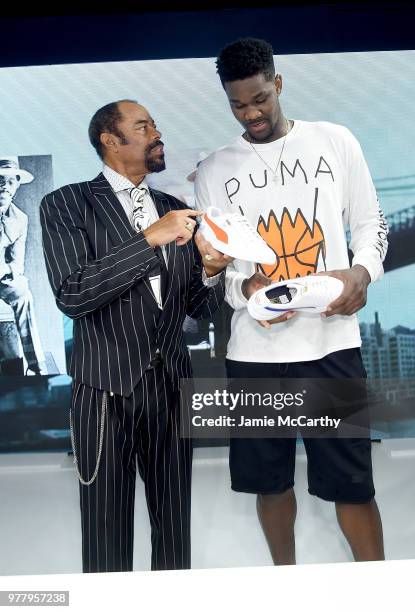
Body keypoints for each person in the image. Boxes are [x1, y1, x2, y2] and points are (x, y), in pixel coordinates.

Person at [194, 38, 389, 564]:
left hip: (331, 346)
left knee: (352, 485)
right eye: (238, 104)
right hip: (255, 354)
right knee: (269, 482)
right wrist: (246, 288)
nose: (251, 113)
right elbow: (219, 274)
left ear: (277, 84)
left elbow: (371, 224)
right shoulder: (213, 169)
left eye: (260, 98)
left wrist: (361, 272)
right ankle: (286, 585)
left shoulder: (334, 141)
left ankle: (382, 591)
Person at [40, 99, 230, 573]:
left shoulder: (175, 209)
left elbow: (195, 309)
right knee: (105, 532)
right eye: (143, 126)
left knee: (174, 529)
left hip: (170, 387)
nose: (156, 133)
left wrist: (209, 272)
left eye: (154, 125)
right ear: (110, 140)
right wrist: (149, 240)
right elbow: (73, 293)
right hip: (104, 392)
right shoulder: (66, 203)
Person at [0, 156, 45, 375]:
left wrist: (13, 274)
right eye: (0, 180)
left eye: (10, 182)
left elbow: (16, 261)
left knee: (23, 293)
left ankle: (36, 368)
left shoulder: (20, 219)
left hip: (1, 277)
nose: (4, 187)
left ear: (17, 185)